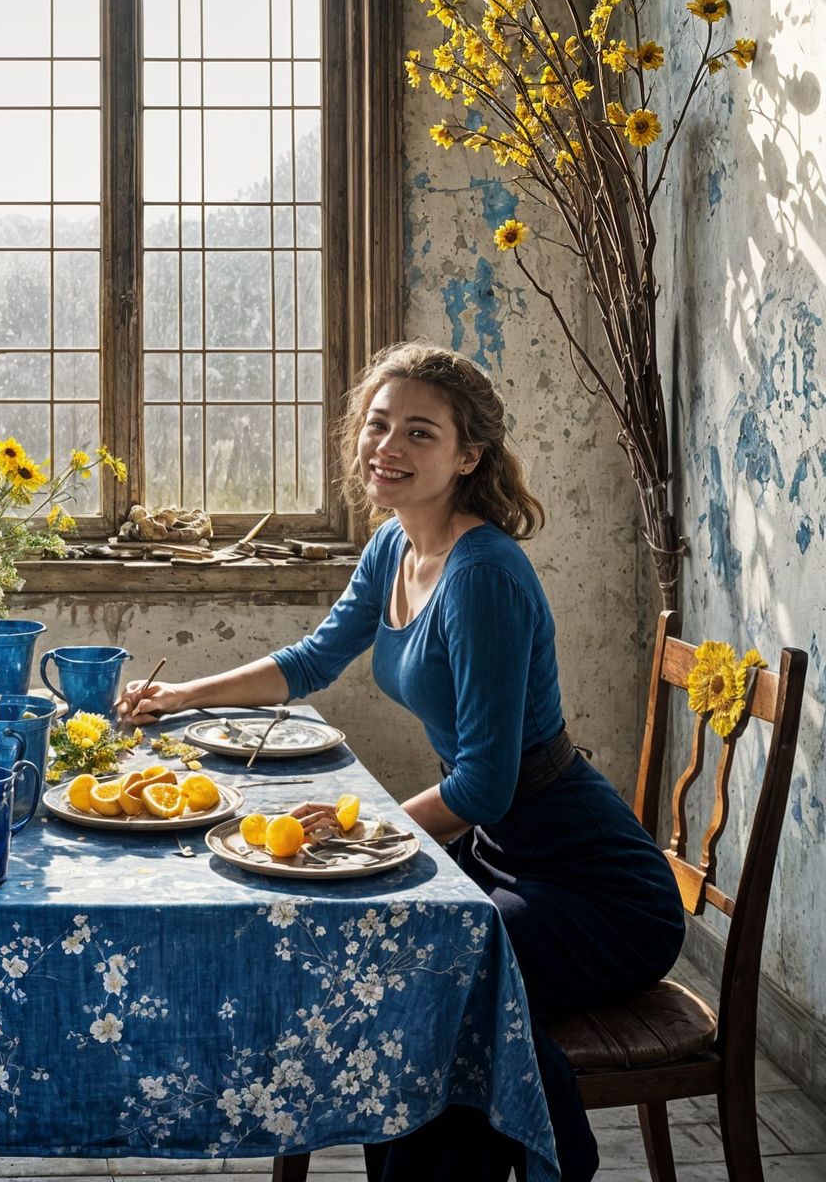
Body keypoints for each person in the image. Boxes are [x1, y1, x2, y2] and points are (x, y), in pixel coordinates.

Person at [118, 341, 686, 1182]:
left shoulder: (483, 574)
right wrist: (181, 698)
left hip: (599, 893)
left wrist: (358, 824)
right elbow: (313, 659)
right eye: (379, 425)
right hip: (503, 859)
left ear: (468, 455)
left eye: (420, 433)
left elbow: (486, 787)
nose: (388, 448)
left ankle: (545, 1165)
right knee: (391, 965)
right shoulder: (393, 545)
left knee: (422, 987)